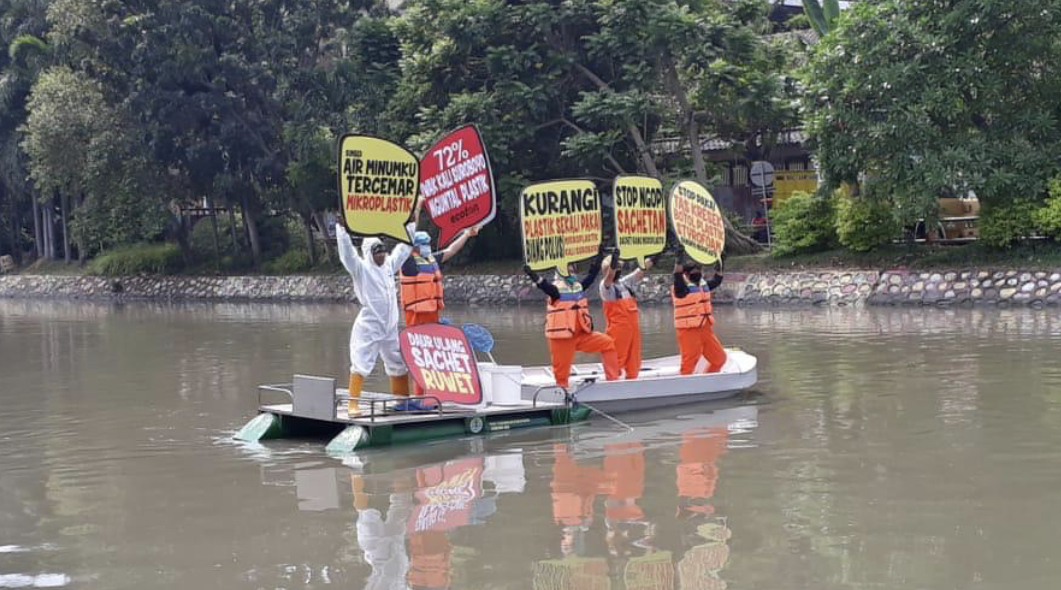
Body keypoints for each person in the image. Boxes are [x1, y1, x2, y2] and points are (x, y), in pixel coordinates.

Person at [336, 220, 416, 415]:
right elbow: (347, 254)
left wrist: (413, 220)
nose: (381, 254)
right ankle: (353, 404)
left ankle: (402, 401)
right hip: (370, 325)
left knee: (397, 362)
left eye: (382, 250)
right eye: (376, 251)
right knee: (361, 362)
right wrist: (342, 230)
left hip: (390, 325)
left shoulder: (389, 265)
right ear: (369, 253)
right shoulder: (361, 269)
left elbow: (405, 248)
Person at [524, 254, 620, 389]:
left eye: (572, 268)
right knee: (562, 376)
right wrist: (532, 274)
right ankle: (562, 398)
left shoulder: (578, 286)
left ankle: (614, 381)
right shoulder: (556, 289)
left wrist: (599, 257)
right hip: (562, 339)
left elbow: (591, 276)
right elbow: (544, 286)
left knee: (607, 343)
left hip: (581, 334)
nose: (571, 271)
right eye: (568, 268)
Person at [400, 225, 479, 327]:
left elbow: (451, 250)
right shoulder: (408, 263)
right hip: (416, 320)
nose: (427, 246)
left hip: (432, 315)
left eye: (427, 244)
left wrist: (466, 234)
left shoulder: (431, 259)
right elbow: (405, 247)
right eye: (423, 244)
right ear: (414, 247)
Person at [672, 249, 727, 375]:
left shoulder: (703, 285)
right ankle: (683, 389)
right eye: (693, 273)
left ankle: (709, 381)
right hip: (688, 330)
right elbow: (677, 275)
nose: (697, 275)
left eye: (699, 272)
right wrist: (678, 260)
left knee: (719, 359)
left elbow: (717, 280)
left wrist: (721, 262)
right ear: (686, 274)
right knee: (689, 363)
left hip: (705, 328)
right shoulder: (680, 288)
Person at [599, 251, 651, 380]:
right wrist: (614, 260)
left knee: (634, 360)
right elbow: (609, 277)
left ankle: (632, 381)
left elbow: (640, 271)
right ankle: (612, 383)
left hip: (633, 329)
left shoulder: (624, 283)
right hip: (618, 330)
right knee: (616, 359)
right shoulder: (606, 287)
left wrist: (658, 253)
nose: (619, 271)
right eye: (617, 268)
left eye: (619, 268)